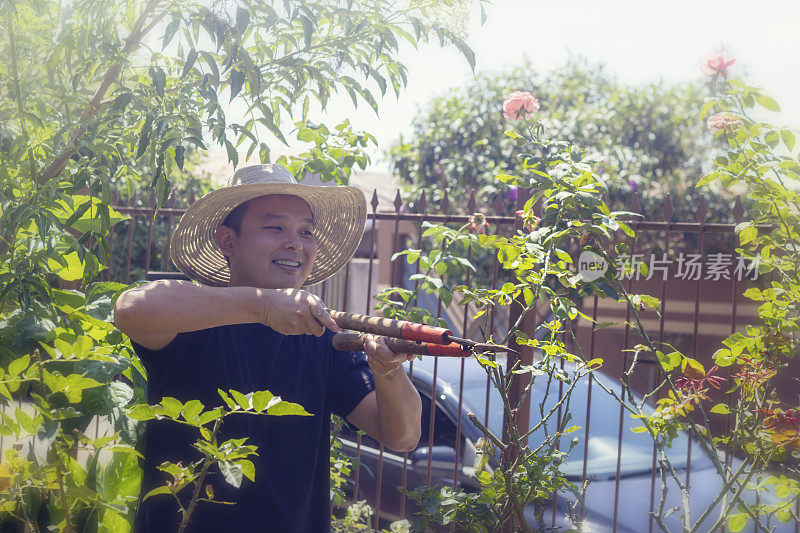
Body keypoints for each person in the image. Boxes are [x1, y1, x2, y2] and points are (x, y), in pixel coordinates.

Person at [113, 164, 422, 533]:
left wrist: (388, 372)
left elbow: (402, 436)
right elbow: (130, 309)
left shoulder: (322, 336)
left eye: (306, 231)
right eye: (275, 227)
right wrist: (262, 306)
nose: (295, 242)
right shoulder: (192, 317)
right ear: (228, 241)